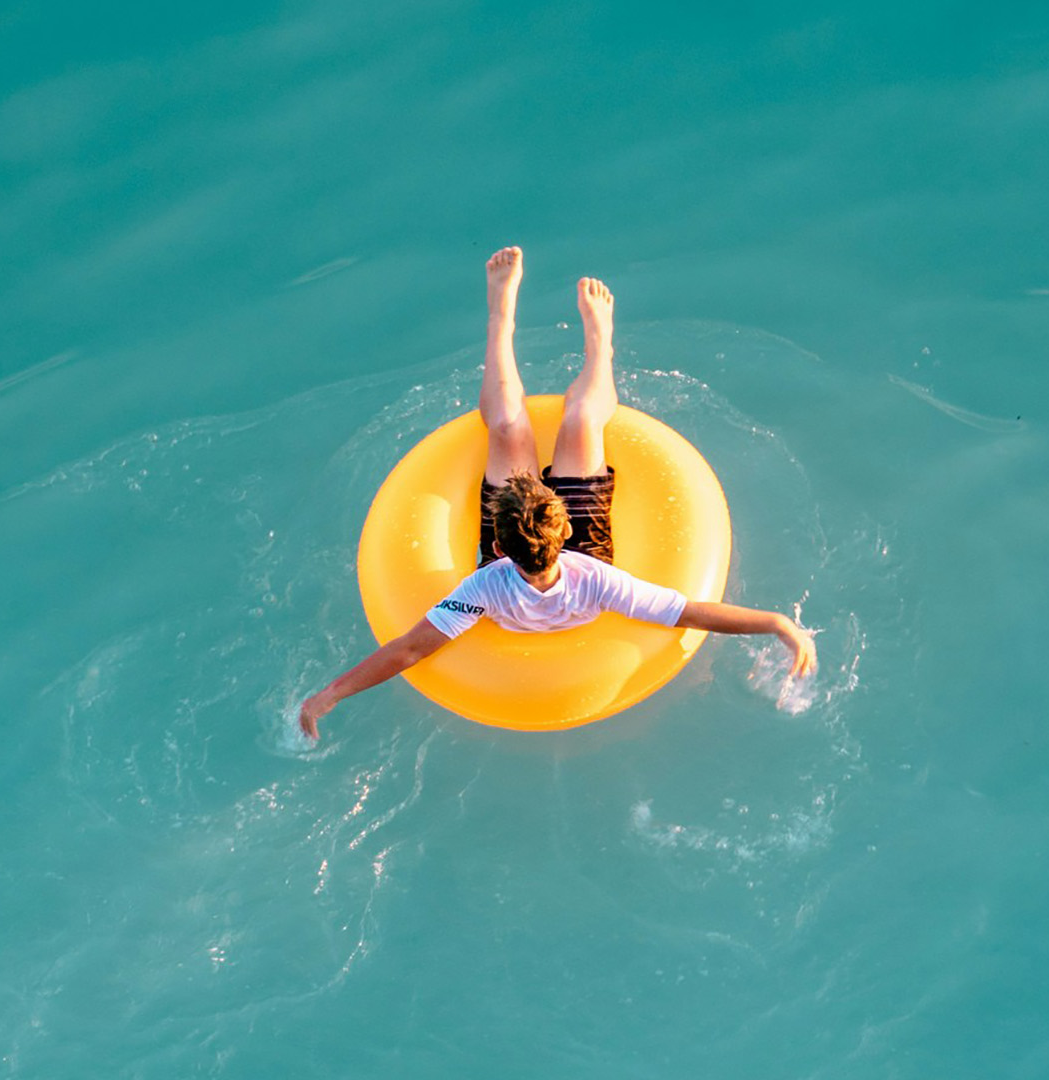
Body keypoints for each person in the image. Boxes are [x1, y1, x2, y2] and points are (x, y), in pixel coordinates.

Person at [299, 246, 816, 741]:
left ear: (496, 548)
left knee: (506, 427)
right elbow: (690, 612)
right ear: (564, 523)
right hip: (586, 548)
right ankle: (599, 344)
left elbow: (408, 650)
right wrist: (777, 622)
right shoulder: (600, 579)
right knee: (581, 422)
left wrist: (330, 695)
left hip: (541, 550)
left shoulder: (482, 589)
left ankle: (501, 317)